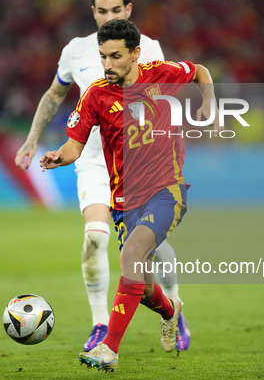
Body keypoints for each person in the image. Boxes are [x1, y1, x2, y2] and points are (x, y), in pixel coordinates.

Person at [14, 0, 190, 351]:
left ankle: (173, 309)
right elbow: (54, 94)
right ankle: (100, 325)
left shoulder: (148, 46)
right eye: (101, 11)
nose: (109, 17)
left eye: (115, 10)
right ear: (92, 11)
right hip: (91, 161)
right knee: (95, 237)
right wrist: (33, 140)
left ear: (128, 9)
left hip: (137, 166)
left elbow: (164, 91)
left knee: (150, 252)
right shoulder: (76, 51)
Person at [39, 19, 217, 372]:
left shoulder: (161, 74)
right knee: (144, 285)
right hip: (124, 202)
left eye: (115, 56)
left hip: (167, 191)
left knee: (132, 255)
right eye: (103, 56)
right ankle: (171, 310)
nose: (107, 65)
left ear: (135, 54)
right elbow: (74, 147)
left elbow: (200, 71)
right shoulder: (95, 95)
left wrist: (207, 106)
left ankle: (109, 348)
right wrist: (60, 156)